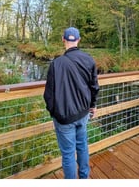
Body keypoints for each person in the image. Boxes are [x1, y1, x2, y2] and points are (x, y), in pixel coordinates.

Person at [43, 27, 99, 179]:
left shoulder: (56, 64)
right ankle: (84, 177)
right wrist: (92, 105)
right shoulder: (89, 59)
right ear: (79, 40)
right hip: (83, 113)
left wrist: (54, 112)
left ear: (63, 40)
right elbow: (94, 87)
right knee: (82, 146)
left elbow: (48, 94)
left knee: (68, 154)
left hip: (64, 117)